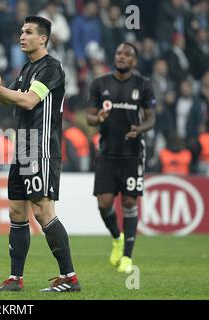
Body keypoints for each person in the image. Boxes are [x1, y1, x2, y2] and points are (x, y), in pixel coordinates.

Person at [0, 16, 80, 292]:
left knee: (43, 210)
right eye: (21, 31)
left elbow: (29, 101)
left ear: (43, 38)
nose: (22, 36)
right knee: (17, 211)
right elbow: (10, 101)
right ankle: (15, 279)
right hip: (23, 147)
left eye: (29, 32)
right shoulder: (26, 69)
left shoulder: (51, 68)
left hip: (41, 148)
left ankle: (69, 276)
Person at [86, 42, 156, 273]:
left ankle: (127, 256)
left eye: (128, 54)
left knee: (128, 201)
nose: (122, 57)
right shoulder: (99, 83)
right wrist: (100, 118)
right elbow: (90, 118)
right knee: (104, 204)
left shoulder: (144, 86)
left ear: (134, 61)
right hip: (106, 152)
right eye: (118, 53)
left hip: (132, 153)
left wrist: (140, 129)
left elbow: (151, 119)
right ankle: (117, 237)